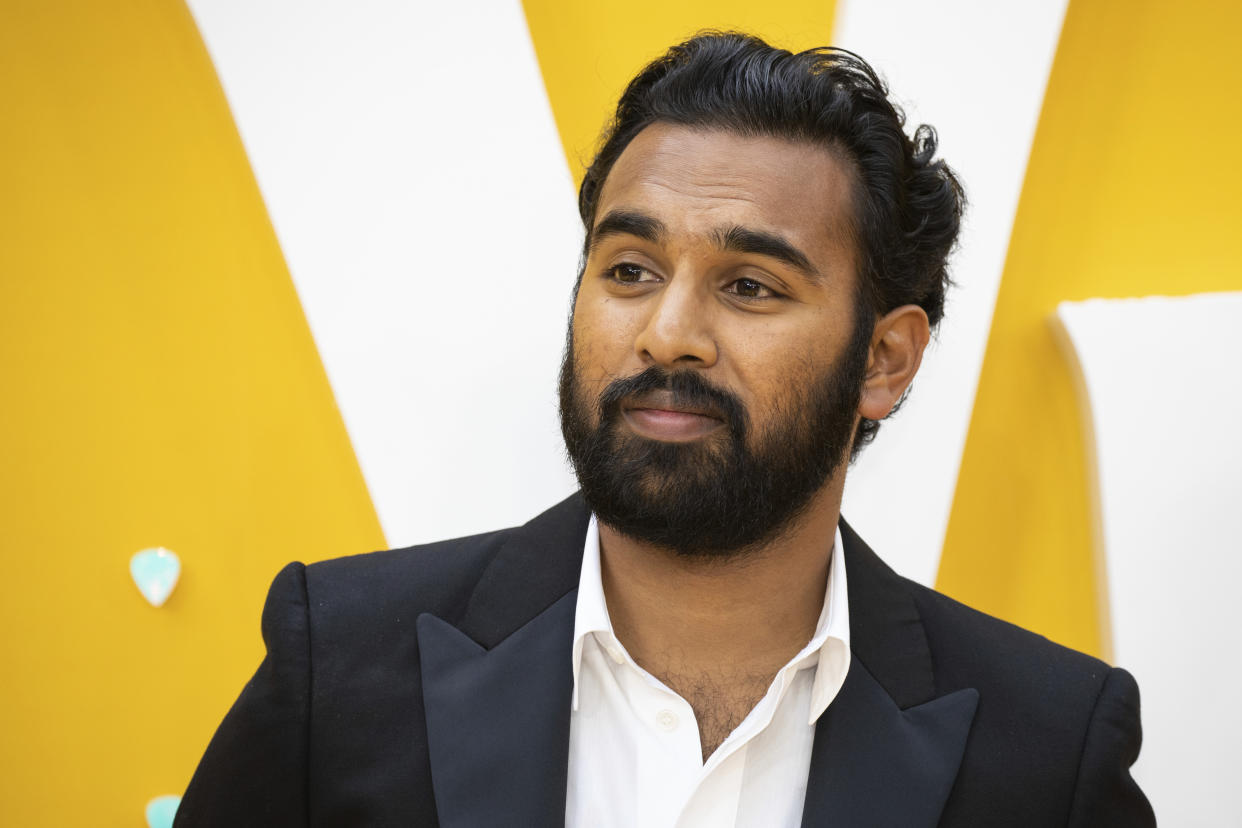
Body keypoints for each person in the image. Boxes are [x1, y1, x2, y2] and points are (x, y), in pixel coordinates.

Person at [175, 32, 1154, 827]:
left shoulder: (1050, 749)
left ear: (883, 361)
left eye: (750, 286)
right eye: (630, 270)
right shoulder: (339, 666)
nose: (668, 334)